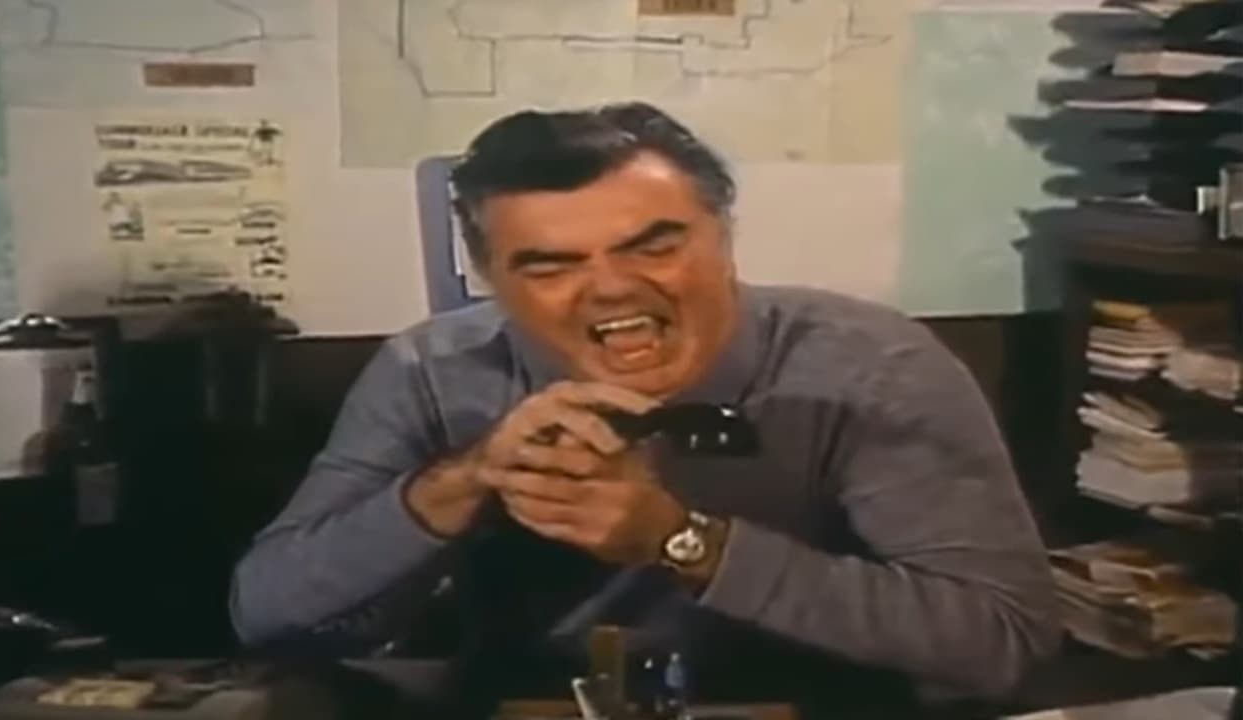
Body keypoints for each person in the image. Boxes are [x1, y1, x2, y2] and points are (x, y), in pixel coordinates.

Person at [229, 102, 1060, 717]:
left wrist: (682, 540)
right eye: (551, 265)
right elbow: (266, 614)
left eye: (654, 246)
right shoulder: (433, 370)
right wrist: (463, 481)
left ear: (723, 235)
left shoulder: (874, 365)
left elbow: (1002, 643)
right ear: (491, 279)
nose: (612, 289)